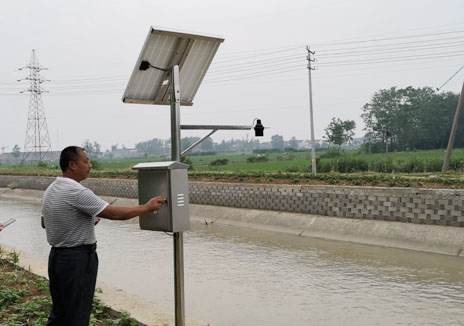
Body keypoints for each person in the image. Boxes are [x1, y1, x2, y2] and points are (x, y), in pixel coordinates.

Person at [41, 146, 166, 326]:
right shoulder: (76, 191)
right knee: (77, 314)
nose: (90, 165)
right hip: (77, 259)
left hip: (57, 258)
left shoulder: (52, 189)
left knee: (60, 313)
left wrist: (84, 220)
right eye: (86, 161)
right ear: (72, 165)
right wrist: (146, 208)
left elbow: (46, 223)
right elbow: (115, 213)